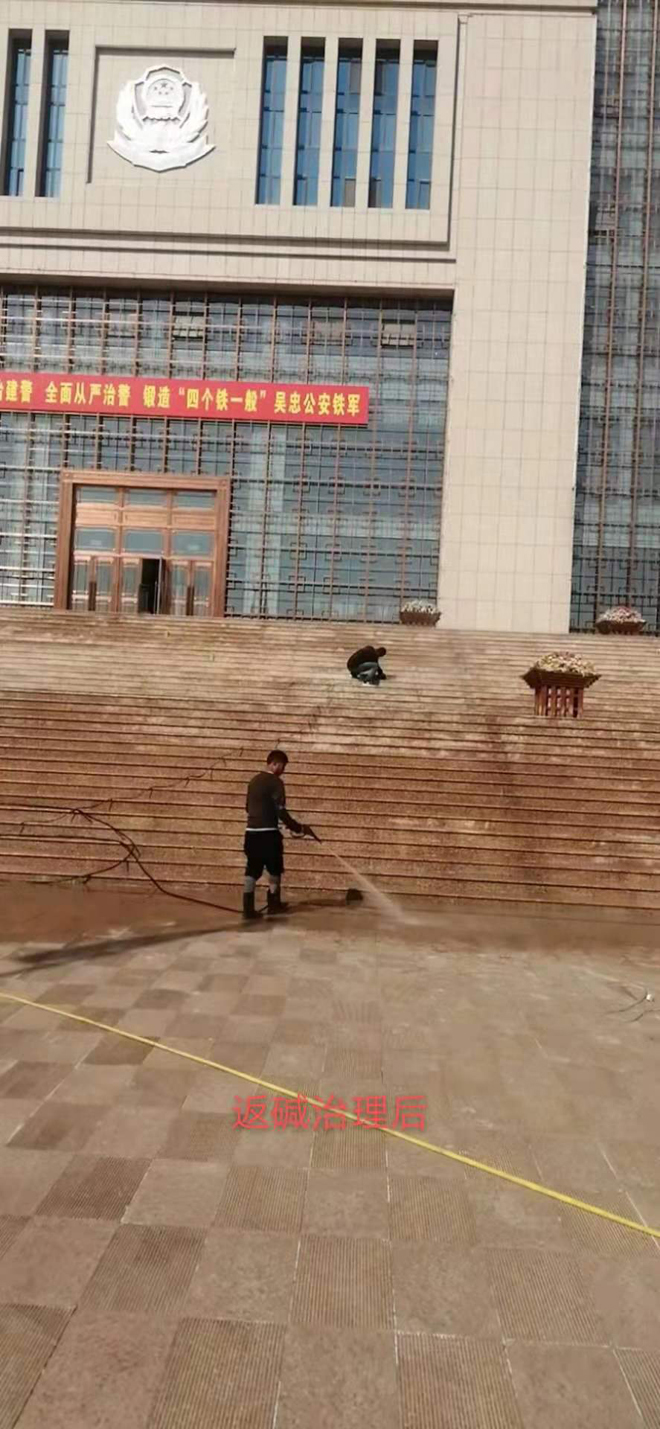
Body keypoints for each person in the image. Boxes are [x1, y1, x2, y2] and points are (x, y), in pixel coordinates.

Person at [243, 750, 314, 920]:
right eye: (283, 766)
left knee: (252, 869)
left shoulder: (253, 781)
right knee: (274, 869)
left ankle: (248, 908)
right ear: (274, 763)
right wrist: (298, 827)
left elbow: (247, 807)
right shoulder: (276, 783)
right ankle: (274, 904)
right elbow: (280, 811)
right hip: (268, 834)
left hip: (251, 833)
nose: (283, 770)